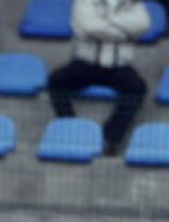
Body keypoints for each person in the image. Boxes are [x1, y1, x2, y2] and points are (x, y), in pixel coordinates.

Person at [46, 0, 150, 157]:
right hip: (85, 63)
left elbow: (143, 25)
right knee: (56, 81)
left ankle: (110, 137)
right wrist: (124, 32)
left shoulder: (133, 3)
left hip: (118, 66)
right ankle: (71, 130)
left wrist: (106, 20)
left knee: (138, 88)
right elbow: (88, 27)